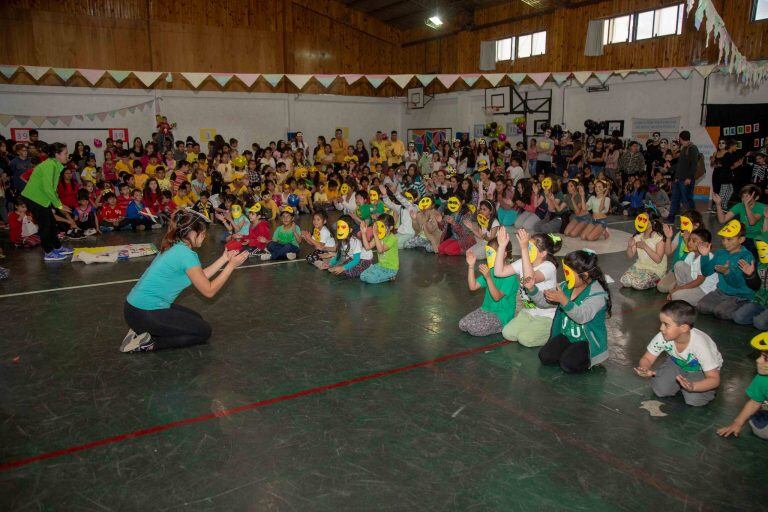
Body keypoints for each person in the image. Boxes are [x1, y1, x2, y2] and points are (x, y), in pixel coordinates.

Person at [121, 209, 249, 353]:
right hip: (144, 312)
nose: (204, 236)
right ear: (191, 233)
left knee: (197, 320)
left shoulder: (175, 246)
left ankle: (140, 331)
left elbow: (200, 276)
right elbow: (209, 291)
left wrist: (224, 259)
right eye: (202, 233)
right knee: (203, 332)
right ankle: (148, 344)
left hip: (134, 309)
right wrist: (231, 266)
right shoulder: (186, 255)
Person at [528, 249, 611, 373]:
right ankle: (571, 351)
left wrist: (564, 301)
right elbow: (543, 302)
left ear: (585, 274)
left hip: (587, 341)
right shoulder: (564, 287)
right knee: (545, 357)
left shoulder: (597, 294)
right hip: (567, 336)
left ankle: (593, 358)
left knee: (568, 364)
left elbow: (582, 316)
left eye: (568, 273)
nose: (566, 276)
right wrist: (532, 289)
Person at [634, 300, 722, 406]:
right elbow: (647, 358)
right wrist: (644, 368)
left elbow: (714, 379)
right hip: (677, 362)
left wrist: (693, 386)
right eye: (661, 323)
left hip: (700, 369)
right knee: (660, 390)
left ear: (683, 328)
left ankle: (705, 390)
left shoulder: (700, 345)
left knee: (694, 400)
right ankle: (680, 382)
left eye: (666, 324)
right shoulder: (662, 337)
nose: (661, 328)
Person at [496, 228, 561, 348]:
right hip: (529, 312)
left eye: (529, 246)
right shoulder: (523, 262)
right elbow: (499, 272)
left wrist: (524, 249)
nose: (525, 247)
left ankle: (555, 330)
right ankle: (532, 326)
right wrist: (501, 246)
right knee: (507, 333)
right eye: (527, 245)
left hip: (547, 315)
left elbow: (529, 279)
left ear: (542, 253)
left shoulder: (548, 267)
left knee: (525, 339)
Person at [20, 142, 74, 261]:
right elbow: (47, 188)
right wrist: (58, 205)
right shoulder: (49, 165)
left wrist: (59, 203)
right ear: (57, 154)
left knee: (51, 224)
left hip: (43, 199)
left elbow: (52, 188)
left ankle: (57, 247)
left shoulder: (55, 164)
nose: (67, 155)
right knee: (45, 226)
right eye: (65, 153)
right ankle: (48, 252)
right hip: (35, 199)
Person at [459, 238, 520, 337]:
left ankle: (504, 325)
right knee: (463, 324)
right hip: (487, 308)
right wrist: (471, 266)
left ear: (503, 254)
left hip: (502, 313)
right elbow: (473, 286)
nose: (488, 257)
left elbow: (497, 297)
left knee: (474, 329)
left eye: (491, 253)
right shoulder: (491, 269)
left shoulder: (511, 275)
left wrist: (488, 278)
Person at [697, 220, 756, 320]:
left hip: (739, 294)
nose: (725, 242)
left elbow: (738, 284)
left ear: (741, 240)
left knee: (720, 312)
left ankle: (745, 304)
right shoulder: (721, 253)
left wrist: (726, 272)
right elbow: (706, 272)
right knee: (701, 306)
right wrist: (705, 256)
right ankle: (724, 305)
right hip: (721, 292)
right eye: (723, 239)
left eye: (729, 239)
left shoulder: (746, 257)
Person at [717, 333, 768, 440]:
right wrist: (737, 423)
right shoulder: (762, 379)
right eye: (761, 356)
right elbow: (755, 401)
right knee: (759, 428)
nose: (758, 361)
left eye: (766, 358)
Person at [712, 184, 764, 260]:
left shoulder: (761, 207)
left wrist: (746, 206)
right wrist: (718, 204)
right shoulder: (740, 206)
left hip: (758, 238)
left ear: (756, 198)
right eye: (743, 196)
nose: (744, 199)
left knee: (753, 260)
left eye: (748, 196)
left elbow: (752, 222)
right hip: (744, 237)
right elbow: (722, 220)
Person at [620, 211, 667, 290]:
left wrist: (645, 246)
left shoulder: (659, 238)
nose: (641, 222)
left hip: (655, 269)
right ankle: (642, 278)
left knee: (638, 284)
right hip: (640, 266)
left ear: (653, 222)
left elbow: (658, 260)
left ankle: (659, 278)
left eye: (644, 220)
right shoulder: (638, 236)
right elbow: (630, 255)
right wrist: (629, 246)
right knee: (624, 280)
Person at [666, 130, 698, 223]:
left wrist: (689, 178)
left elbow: (694, 164)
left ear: (680, 138)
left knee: (687, 200)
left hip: (685, 180)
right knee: (675, 198)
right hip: (679, 179)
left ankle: (692, 219)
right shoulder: (684, 148)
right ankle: (671, 216)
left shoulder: (693, 148)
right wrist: (670, 169)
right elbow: (680, 165)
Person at [359, 214, 399, 284]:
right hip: (380, 265)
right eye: (378, 226)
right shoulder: (378, 236)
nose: (379, 229)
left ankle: (390, 277)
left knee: (370, 279)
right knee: (362, 276)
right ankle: (386, 276)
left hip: (390, 269)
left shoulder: (392, 238)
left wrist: (375, 234)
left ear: (390, 227)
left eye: (383, 226)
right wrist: (363, 233)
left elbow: (380, 250)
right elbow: (367, 247)